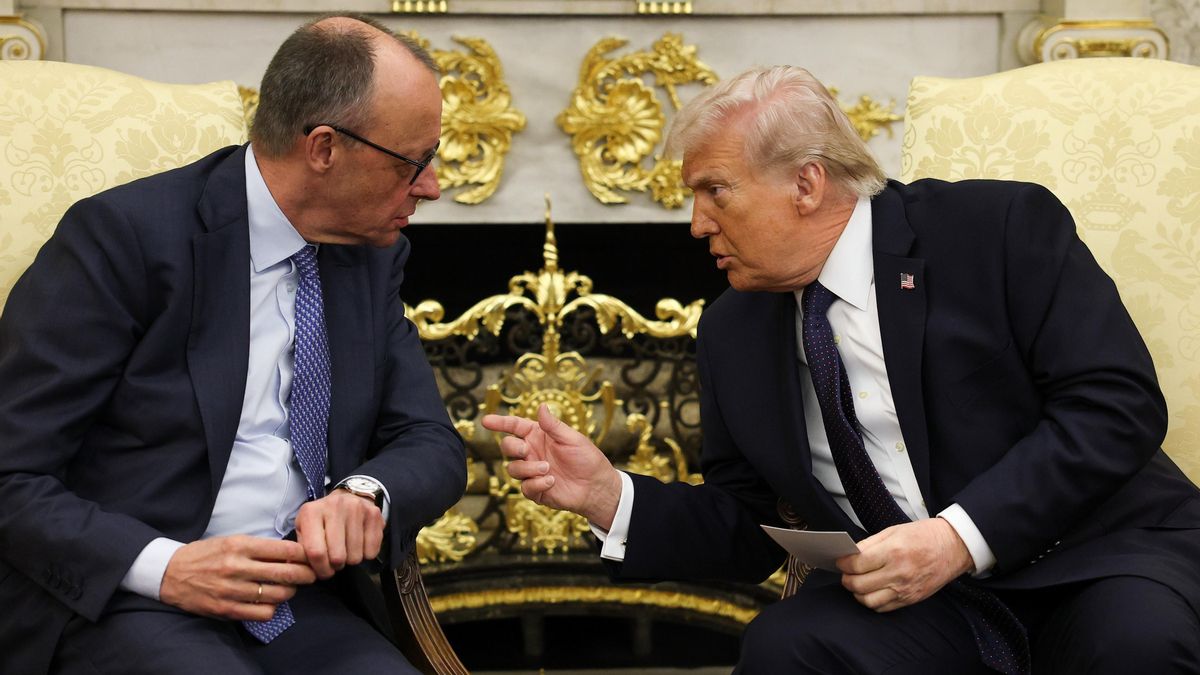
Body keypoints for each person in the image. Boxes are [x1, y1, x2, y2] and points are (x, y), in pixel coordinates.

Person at [483, 65, 1200, 674]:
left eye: (715, 191)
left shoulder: (995, 229)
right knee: (787, 647)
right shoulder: (734, 329)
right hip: (929, 606)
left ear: (806, 184)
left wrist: (957, 538)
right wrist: (609, 495)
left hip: (1094, 560)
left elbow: (1116, 405)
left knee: (1132, 644)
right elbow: (749, 521)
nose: (697, 224)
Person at [0, 14, 465, 674]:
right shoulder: (124, 240)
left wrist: (365, 493)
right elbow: (11, 474)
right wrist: (166, 567)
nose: (431, 186)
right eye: (411, 163)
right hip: (131, 601)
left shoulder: (370, 256)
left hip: (297, 604)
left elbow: (431, 441)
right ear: (324, 148)